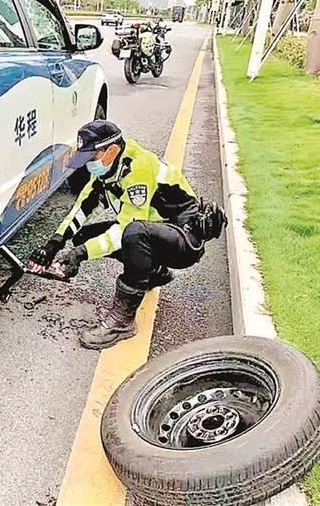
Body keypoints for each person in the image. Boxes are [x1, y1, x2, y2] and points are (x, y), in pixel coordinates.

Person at [28, 120, 227, 350]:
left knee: (133, 234)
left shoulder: (138, 167)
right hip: (156, 230)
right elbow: (81, 208)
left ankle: (122, 322)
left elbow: (125, 229)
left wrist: (79, 255)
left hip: (184, 239)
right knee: (84, 236)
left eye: (91, 158)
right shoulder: (109, 169)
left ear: (110, 150)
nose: (88, 165)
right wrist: (52, 245)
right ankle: (154, 272)